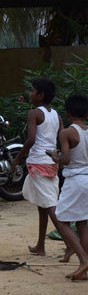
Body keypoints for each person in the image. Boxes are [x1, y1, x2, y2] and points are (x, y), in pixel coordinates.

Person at [11, 78, 64, 257]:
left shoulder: (34, 113)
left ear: (40, 95)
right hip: (51, 162)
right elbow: (61, 137)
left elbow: (31, 139)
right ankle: (40, 245)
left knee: (49, 206)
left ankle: (71, 244)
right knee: (43, 206)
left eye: (32, 90)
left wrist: (17, 159)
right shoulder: (56, 115)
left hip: (38, 163)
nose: (29, 93)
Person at [52, 94, 88, 281]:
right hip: (87, 178)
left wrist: (54, 157)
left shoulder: (66, 132)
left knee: (61, 219)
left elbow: (65, 160)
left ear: (66, 113)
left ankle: (83, 260)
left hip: (75, 180)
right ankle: (85, 267)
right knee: (82, 221)